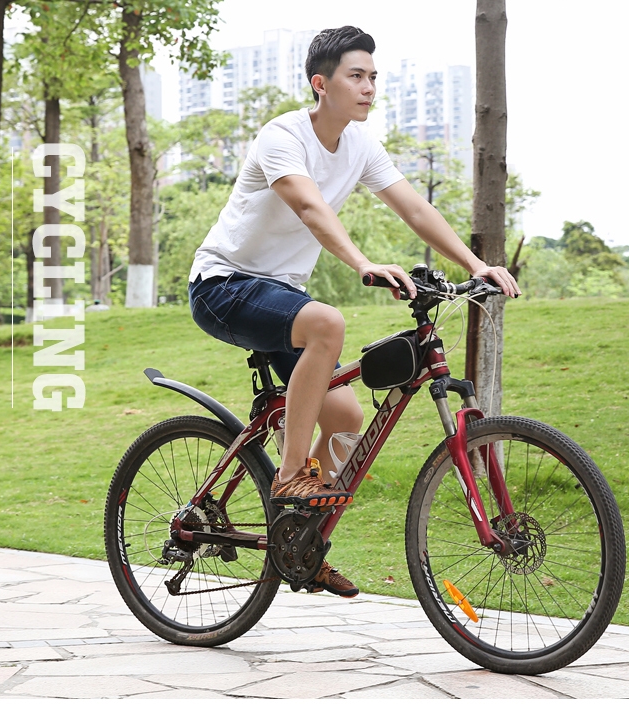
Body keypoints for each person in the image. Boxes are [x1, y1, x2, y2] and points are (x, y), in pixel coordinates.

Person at [188, 26, 520, 598]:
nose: (369, 87)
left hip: (280, 296)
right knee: (328, 323)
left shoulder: (361, 145)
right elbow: (309, 206)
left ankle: (297, 540)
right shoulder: (283, 136)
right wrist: (363, 262)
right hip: (224, 285)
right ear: (321, 84)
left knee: (344, 418)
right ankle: (290, 476)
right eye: (356, 76)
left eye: (373, 77)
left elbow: (414, 208)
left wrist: (475, 264)